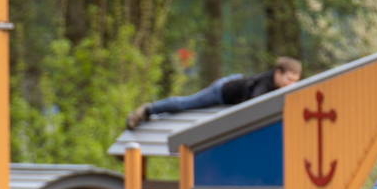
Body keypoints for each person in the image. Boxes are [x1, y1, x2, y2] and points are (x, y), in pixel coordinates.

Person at [125, 57, 302, 130]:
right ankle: (147, 110)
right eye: (289, 80)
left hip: (239, 82)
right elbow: (255, 106)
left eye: (295, 81)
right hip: (222, 91)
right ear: (278, 74)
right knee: (186, 103)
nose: (291, 85)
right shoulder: (264, 85)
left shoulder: (278, 84)